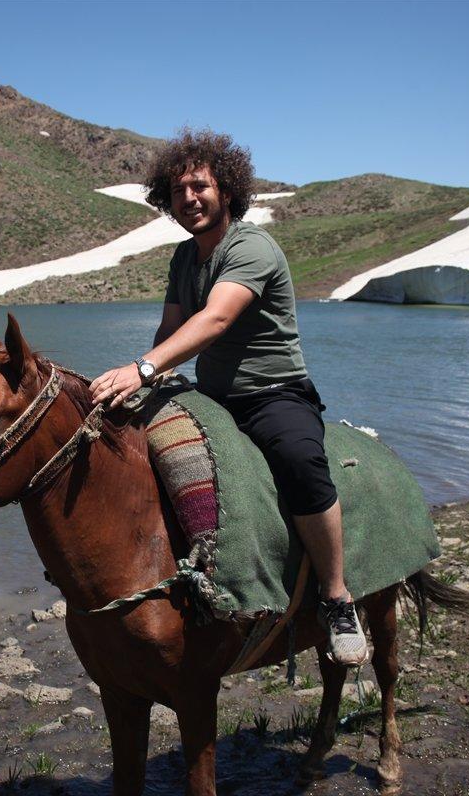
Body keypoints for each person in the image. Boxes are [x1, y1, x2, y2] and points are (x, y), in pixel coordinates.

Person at [89, 128, 367, 667]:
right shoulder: (183, 258)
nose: (189, 198)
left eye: (200, 186)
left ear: (227, 190)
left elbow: (215, 319)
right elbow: (171, 332)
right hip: (214, 395)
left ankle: (337, 598)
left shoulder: (250, 247)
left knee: (300, 462)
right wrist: (144, 380)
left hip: (273, 394)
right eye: (177, 190)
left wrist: (141, 370)